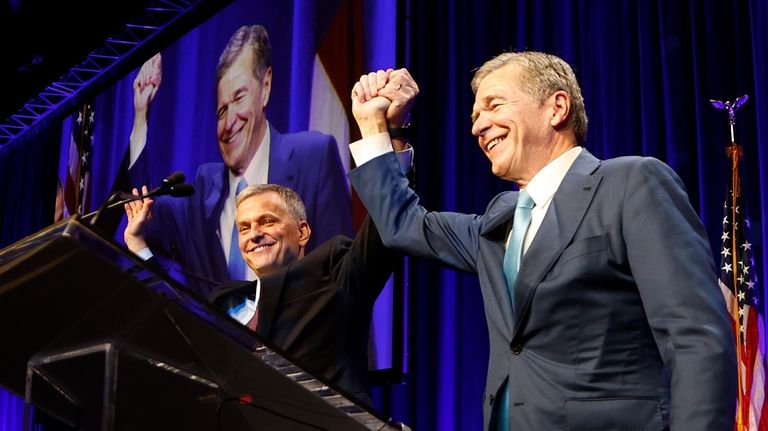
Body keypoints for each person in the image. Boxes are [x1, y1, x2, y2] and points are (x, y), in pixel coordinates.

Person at [347, 53, 736, 429]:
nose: (477, 126)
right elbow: (403, 225)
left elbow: (695, 338)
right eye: (475, 115)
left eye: (493, 105)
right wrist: (378, 127)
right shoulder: (498, 223)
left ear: (557, 108)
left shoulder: (632, 183)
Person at [123, 83, 416, 405]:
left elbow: (383, 228)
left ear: (302, 232)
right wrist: (137, 244)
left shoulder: (335, 270)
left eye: (267, 221)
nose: (253, 234)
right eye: (244, 228)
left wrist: (390, 132)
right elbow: (177, 323)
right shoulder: (226, 299)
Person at [127, 25, 353, 298]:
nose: (229, 121)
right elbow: (142, 210)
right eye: (221, 110)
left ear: (265, 87)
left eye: (239, 97)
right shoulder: (202, 191)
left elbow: (341, 270)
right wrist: (141, 115)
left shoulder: (313, 156)